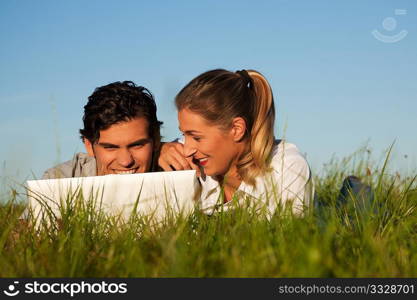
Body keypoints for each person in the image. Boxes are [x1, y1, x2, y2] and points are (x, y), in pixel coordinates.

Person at [159, 69, 314, 216]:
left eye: (197, 138)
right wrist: (160, 150)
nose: (187, 150)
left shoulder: (287, 170)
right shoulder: (183, 158)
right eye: (184, 134)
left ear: (236, 129)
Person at [43, 81, 163, 179]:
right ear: (89, 145)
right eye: (110, 147)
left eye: (137, 145)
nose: (125, 161)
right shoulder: (56, 183)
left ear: (156, 139)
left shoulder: (177, 172)